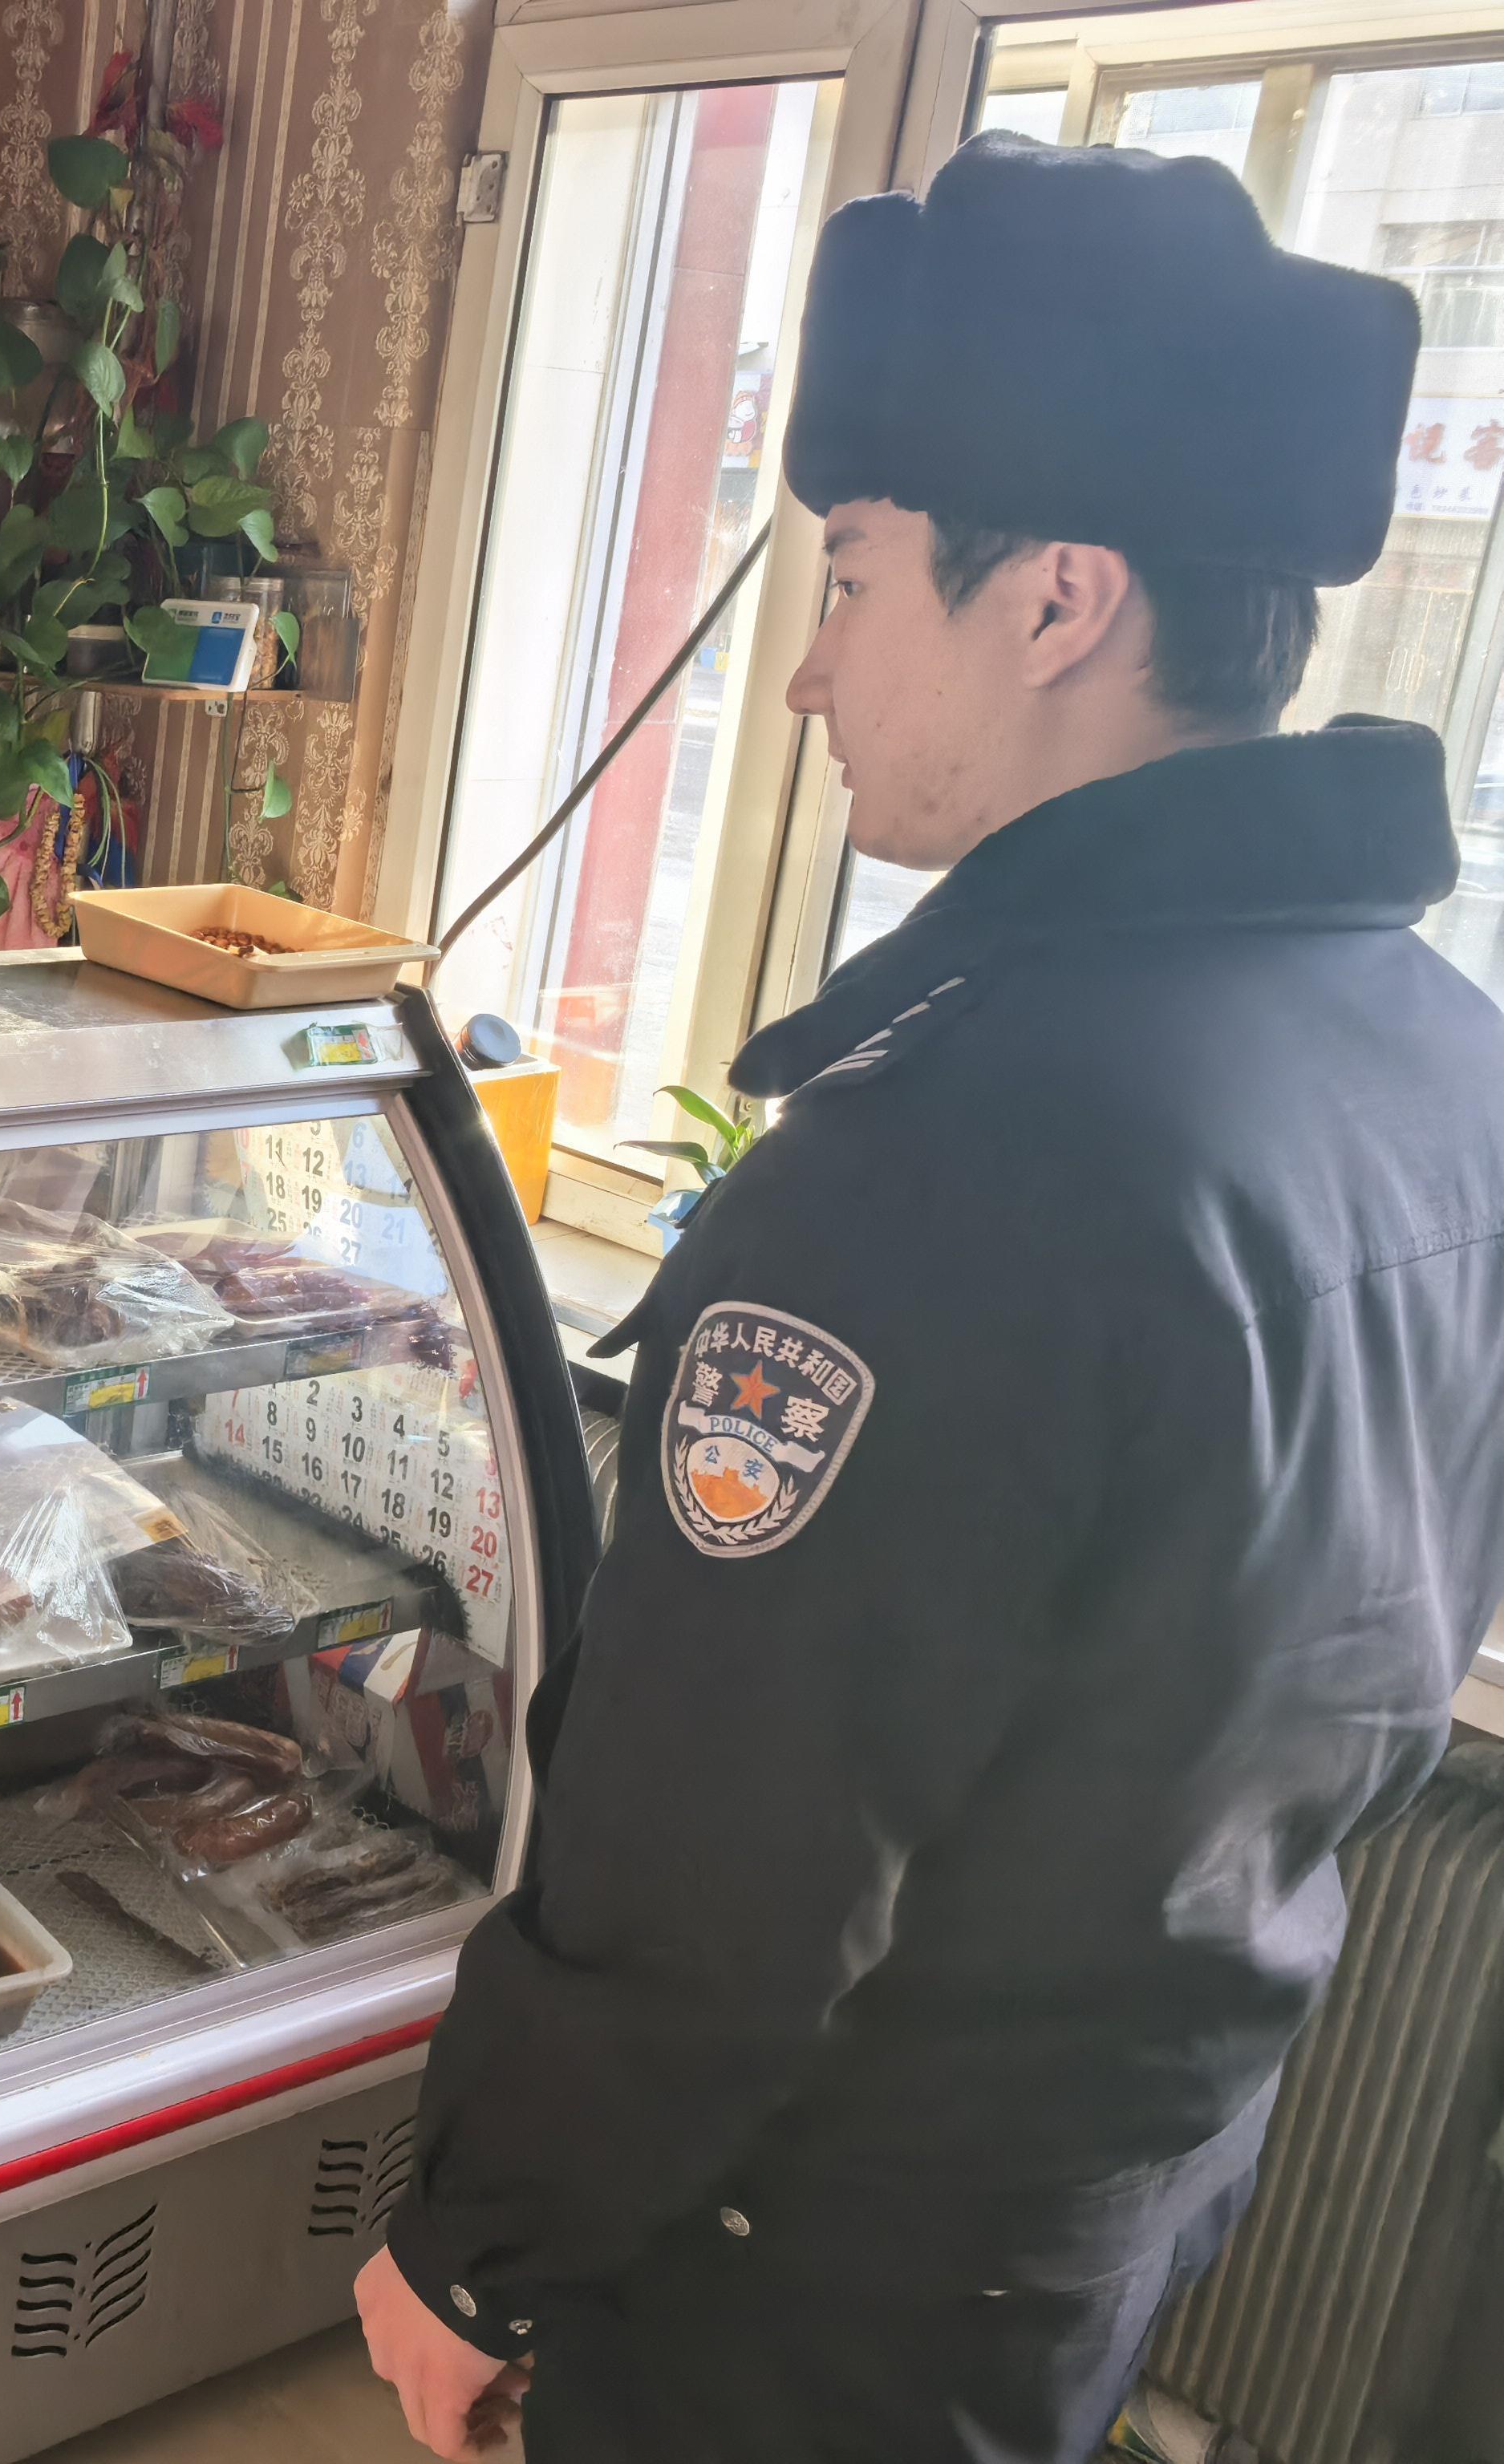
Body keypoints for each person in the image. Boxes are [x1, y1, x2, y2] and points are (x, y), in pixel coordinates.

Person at [355, 131, 1504, 2463]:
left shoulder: (953, 1160)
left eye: (853, 577)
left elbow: (727, 1858)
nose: (804, 673)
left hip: (812, 2277)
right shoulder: (1440, 1055)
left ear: (1059, 599)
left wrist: (477, 2239)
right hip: (1124, 2185)